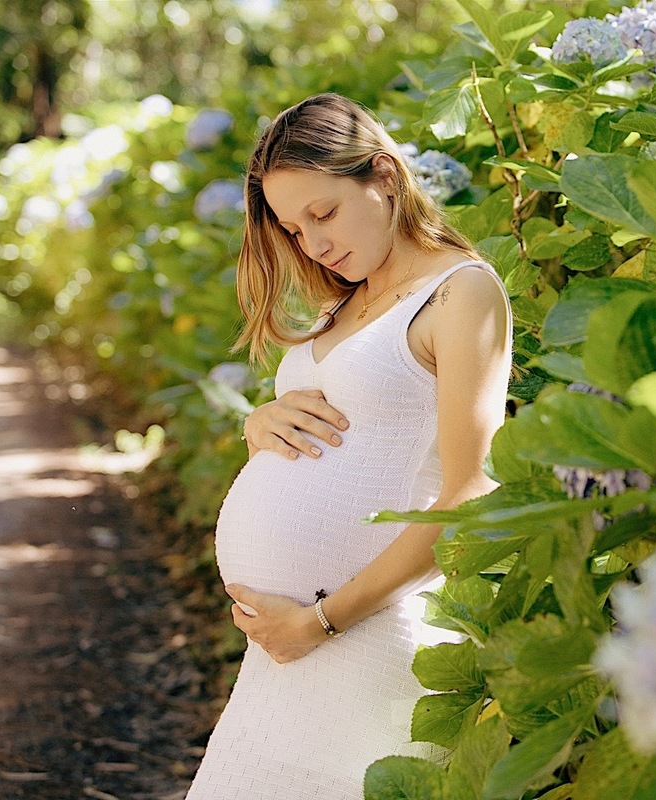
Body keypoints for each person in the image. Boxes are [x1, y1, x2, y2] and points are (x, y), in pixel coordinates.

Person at [184, 93, 512, 799]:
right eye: (295, 228)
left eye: (323, 213)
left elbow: (468, 497)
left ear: (385, 177)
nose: (314, 243)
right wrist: (259, 425)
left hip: (366, 636)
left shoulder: (461, 295)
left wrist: (320, 621)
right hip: (282, 653)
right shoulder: (347, 300)